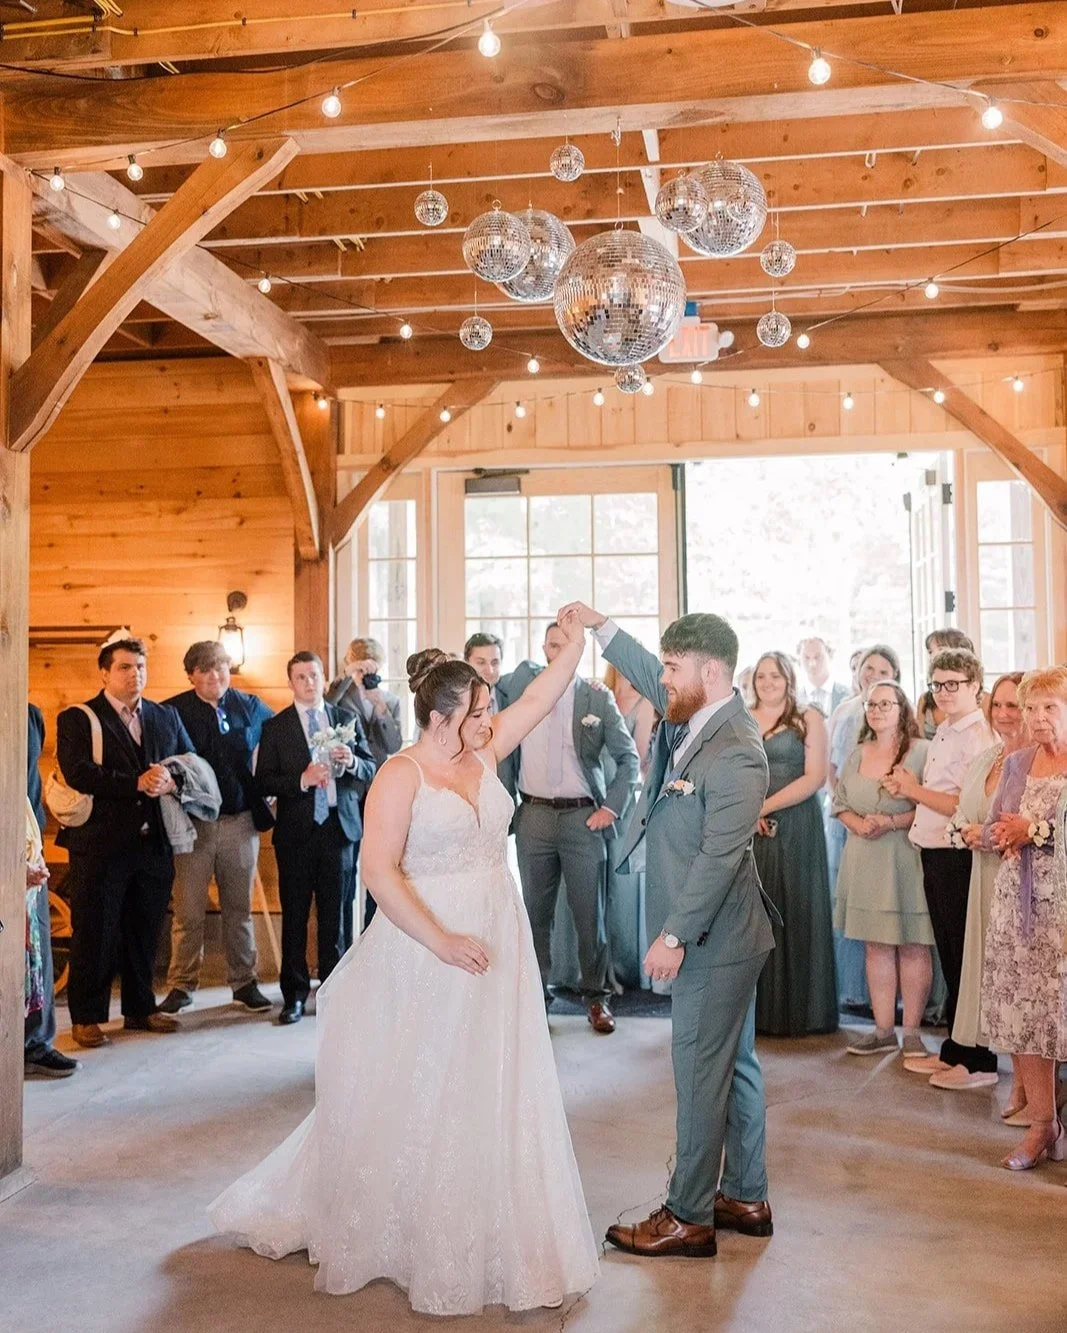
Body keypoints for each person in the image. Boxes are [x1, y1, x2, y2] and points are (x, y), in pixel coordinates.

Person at [209, 618, 600, 1314]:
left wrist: (579, 634)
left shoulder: (485, 753)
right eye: (478, 712)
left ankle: (491, 1209)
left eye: (487, 712)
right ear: (444, 715)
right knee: (425, 1076)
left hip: (497, 936)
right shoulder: (402, 773)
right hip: (428, 944)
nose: (490, 720)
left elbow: (540, 697)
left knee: (491, 1073)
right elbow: (380, 873)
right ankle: (407, 1221)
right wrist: (442, 939)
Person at [560, 600, 777, 1258]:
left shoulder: (738, 751)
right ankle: (744, 1193)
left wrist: (674, 935)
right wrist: (599, 625)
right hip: (723, 936)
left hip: (715, 937)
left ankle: (687, 1214)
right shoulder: (694, 706)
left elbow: (717, 858)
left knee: (698, 1070)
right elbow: (641, 668)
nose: (662, 678)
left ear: (710, 671)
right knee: (733, 1064)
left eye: (673, 667)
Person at [498, 622, 640, 1033]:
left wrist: (611, 809)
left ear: (580, 649)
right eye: (554, 643)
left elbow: (628, 761)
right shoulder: (522, 687)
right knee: (534, 917)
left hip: (583, 818)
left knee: (588, 917)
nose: (559, 650)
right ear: (544, 646)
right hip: (534, 817)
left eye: (568, 645)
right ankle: (536, 1002)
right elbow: (488, 678)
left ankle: (596, 999)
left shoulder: (596, 696)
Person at [56, 635, 195, 1050]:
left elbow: (190, 762)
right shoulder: (79, 718)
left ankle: (140, 1007)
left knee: (145, 929)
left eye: (140, 667)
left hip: (154, 843)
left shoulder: (164, 714)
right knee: (95, 931)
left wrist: (172, 780)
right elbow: (78, 772)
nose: (135, 675)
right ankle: (86, 1016)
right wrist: (134, 783)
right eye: (124, 667)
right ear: (104, 672)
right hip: (99, 844)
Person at [883, 647, 996, 1084]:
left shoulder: (978, 736)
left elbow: (963, 803)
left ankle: (979, 1060)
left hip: (959, 853)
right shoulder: (946, 729)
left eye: (955, 684)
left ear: (974, 687)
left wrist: (912, 789)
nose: (945, 692)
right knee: (951, 953)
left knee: (967, 956)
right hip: (934, 848)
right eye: (938, 684)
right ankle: (954, 1048)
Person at [255, 652, 376, 1025]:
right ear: (290, 682)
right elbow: (263, 782)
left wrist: (352, 762)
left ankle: (333, 992)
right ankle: (293, 995)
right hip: (296, 834)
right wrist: (301, 780)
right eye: (301, 677)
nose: (308, 682)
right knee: (294, 915)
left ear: (324, 678)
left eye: (314, 675)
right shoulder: (276, 728)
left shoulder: (345, 719)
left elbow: (370, 770)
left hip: (339, 831)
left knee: (336, 915)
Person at [979, 666, 1067, 1170]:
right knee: (1028, 1018)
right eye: (1030, 708)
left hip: (1062, 907)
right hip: (1019, 907)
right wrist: (1006, 836)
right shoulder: (1018, 763)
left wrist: (1037, 828)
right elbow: (994, 828)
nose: (1036, 718)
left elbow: (1038, 826)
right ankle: (1041, 1125)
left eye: (1048, 708)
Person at [158, 642, 274, 1015]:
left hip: (240, 823)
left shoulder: (251, 707)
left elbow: (278, 741)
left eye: (220, 667)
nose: (214, 676)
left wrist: (274, 788)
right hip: (193, 827)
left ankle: (244, 982)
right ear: (191, 675)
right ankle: (181, 984)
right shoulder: (171, 710)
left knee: (238, 910)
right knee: (188, 911)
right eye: (205, 670)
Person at [833, 682, 931, 1058]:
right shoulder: (859, 753)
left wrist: (891, 823)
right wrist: (856, 825)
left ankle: (914, 1033)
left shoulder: (921, 751)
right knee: (876, 946)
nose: (876, 710)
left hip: (906, 855)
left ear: (901, 708)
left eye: (885, 704)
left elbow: (934, 805)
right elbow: (840, 801)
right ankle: (883, 1030)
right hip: (864, 856)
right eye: (871, 704)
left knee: (913, 943)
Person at [949, 673, 1028, 1100]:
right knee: (995, 980)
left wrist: (989, 833)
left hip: (1021, 882)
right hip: (984, 877)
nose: (1003, 714)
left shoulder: (1042, 761)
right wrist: (967, 832)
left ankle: (1035, 1089)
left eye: (1013, 706)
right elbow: (961, 815)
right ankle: (1019, 1080)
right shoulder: (988, 758)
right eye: (997, 705)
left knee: (1022, 984)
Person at [750, 652, 838, 1037]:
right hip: (753, 826)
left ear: (789, 679)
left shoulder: (809, 717)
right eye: (761, 676)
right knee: (758, 916)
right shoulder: (743, 717)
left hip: (798, 822)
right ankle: (763, 1016)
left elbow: (815, 777)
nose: (768, 683)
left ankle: (804, 1013)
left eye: (776, 676)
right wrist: (748, 812)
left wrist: (765, 806)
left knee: (798, 910)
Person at [827, 644, 901, 1010]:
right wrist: (843, 809)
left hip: (889, 827)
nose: (874, 675)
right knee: (851, 905)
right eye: (868, 668)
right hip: (847, 818)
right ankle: (854, 990)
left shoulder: (901, 715)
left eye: (882, 669)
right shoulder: (844, 710)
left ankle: (888, 1001)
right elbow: (832, 768)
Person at [325, 636, 399, 939]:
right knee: (346, 871)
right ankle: (344, 945)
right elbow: (325, 710)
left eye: (372, 668)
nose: (366, 675)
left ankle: (374, 937)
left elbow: (393, 743)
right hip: (347, 789)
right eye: (361, 668)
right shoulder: (339, 695)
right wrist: (348, 679)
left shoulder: (389, 700)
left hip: (380, 789)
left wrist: (379, 707)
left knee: (379, 867)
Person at [24, 704, 78, 1078]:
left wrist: (33, 844)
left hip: (27, 841)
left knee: (37, 943)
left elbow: (31, 783)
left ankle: (34, 1042)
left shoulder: (29, 714)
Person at [796, 636, 849, 716]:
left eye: (818, 657)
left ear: (830, 656)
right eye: (806, 658)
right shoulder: (794, 699)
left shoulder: (847, 694)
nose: (812, 663)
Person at [464, 631, 507, 713]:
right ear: (466, 663)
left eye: (495, 662)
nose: (490, 671)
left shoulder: (510, 699)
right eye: (481, 662)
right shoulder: (456, 702)